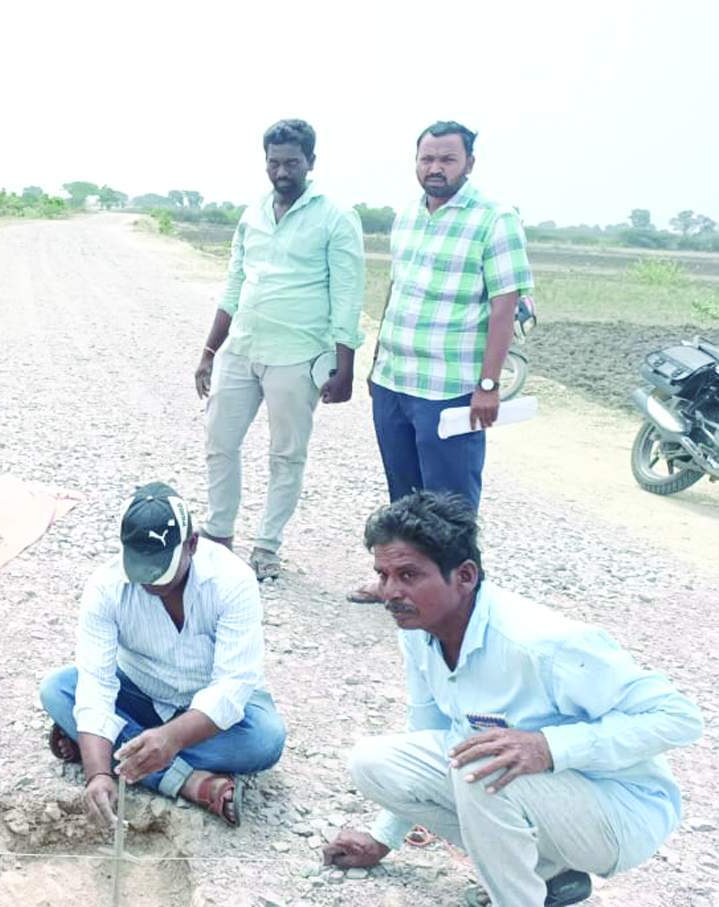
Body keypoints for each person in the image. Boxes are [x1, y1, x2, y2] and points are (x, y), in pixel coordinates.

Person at [324, 492, 701, 906]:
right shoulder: (420, 630)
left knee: (483, 764)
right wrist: (383, 839)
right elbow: (430, 733)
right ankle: (547, 874)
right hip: (536, 797)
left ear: (465, 576)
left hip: (620, 810)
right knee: (374, 763)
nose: (390, 592)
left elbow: (678, 717)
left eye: (409, 575)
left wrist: (549, 747)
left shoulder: (540, 643)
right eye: (383, 575)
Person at [351, 121, 533, 602]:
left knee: (450, 505)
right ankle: (401, 585)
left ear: (468, 165)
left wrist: (489, 385)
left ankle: (462, 599)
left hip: (450, 387)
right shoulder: (407, 217)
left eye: (447, 159)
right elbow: (398, 291)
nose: (435, 168)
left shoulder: (495, 220)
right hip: (395, 380)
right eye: (427, 158)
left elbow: (504, 304)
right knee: (404, 498)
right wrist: (375, 365)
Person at [40, 482, 285, 829]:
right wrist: (97, 775)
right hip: (141, 690)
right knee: (58, 688)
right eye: (142, 568)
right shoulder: (105, 587)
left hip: (208, 711)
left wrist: (171, 738)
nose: (152, 581)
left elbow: (233, 686)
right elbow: (96, 683)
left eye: (162, 568)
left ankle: (111, 743)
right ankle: (186, 782)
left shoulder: (232, 581)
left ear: (193, 544)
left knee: (264, 740)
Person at [195, 119, 365, 581]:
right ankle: (219, 533)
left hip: (298, 355)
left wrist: (345, 367)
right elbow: (234, 283)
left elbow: (348, 295)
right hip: (242, 347)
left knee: (286, 453)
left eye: (292, 162)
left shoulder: (335, 217)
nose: (282, 171)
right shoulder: (252, 213)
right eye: (274, 162)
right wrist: (211, 350)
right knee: (219, 442)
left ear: (311, 162)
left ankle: (267, 545)